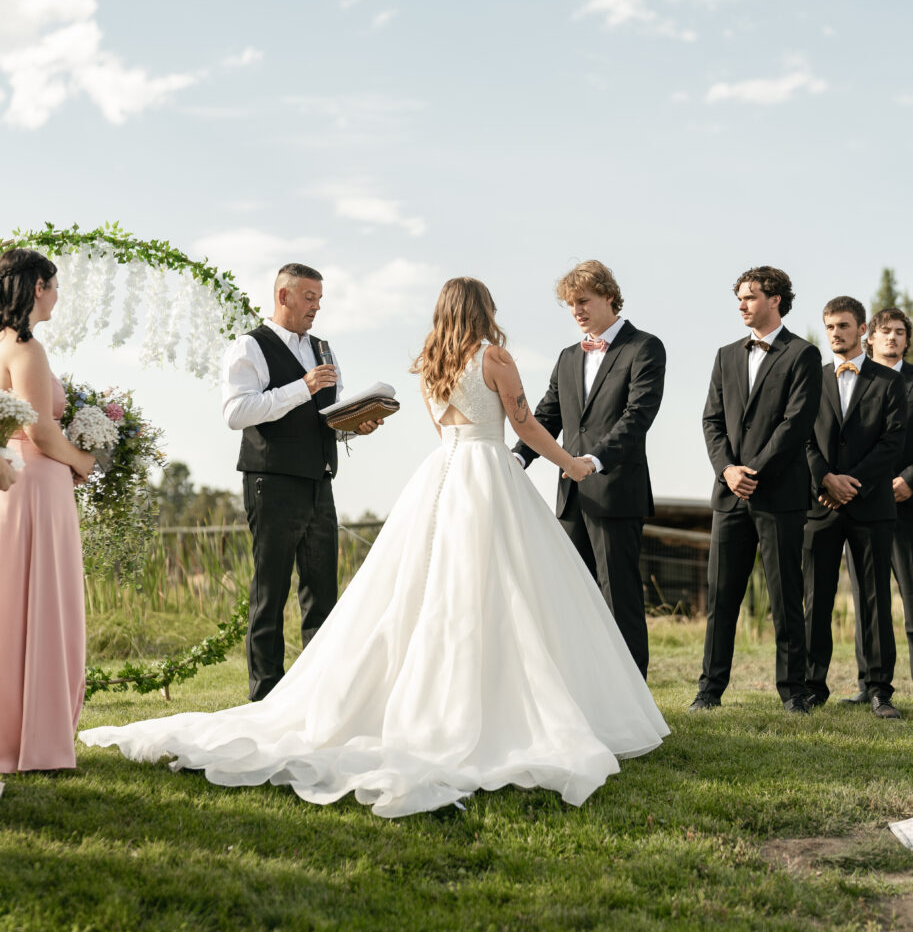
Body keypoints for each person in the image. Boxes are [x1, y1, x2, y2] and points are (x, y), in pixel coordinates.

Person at [80, 277, 668, 817]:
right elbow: (524, 424)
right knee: (508, 587)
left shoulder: (431, 364)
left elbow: (445, 431)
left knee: (430, 588)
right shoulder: (495, 357)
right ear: (483, 310)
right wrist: (569, 463)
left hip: (443, 473)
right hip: (488, 474)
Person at [222, 263, 382, 701]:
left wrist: (355, 424)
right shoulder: (249, 346)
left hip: (319, 480)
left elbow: (325, 416)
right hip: (271, 481)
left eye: (319, 299)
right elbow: (236, 413)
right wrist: (303, 386)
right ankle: (266, 695)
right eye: (309, 297)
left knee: (322, 591)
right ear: (283, 296)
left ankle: (317, 692)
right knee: (270, 592)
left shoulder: (323, 347)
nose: (316, 307)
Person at [512, 261, 665, 679]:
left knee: (619, 600)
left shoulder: (645, 348)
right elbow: (546, 416)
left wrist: (593, 461)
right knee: (569, 599)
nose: (576, 310)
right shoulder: (566, 357)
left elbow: (637, 416)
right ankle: (583, 690)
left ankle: (632, 700)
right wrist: (517, 458)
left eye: (583, 301)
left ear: (609, 296)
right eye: (570, 304)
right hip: (571, 499)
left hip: (616, 491)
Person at [691, 267, 821, 714]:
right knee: (722, 597)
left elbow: (796, 422)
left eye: (750, 297)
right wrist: (728, 470)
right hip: (729, 496)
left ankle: (793, 692)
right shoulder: (726, 355)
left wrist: (754, 472)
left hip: (779, 496)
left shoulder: (803, 354)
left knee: (786, 598)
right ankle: (709, 691)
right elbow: (711, 421)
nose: (742, 305)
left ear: (776, 300)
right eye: (740, 298)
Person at [0, 249, 96, 773]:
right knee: (44, 603)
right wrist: (85, 460)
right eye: (55, 285)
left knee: (15, 606)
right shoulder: (26, 347)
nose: (57, 295)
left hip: (13, 483)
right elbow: (40, 429)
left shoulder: (0, 343)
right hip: (37, 485)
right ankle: (36, 741)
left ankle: (14, 732)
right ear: (38, 285)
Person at [804, 296, 906, 719]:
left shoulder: (890, 381)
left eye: (843, 326)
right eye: (829, 326)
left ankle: (880, 690)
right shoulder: (810, 379)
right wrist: (825, 479)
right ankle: (811, 687)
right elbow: (800, 437)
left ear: (862, 330)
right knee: (816, 599)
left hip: (871, 505)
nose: (835, 333)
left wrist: (853, 485)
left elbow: (893, 441)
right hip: (821, 504)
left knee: (875, 600)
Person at [842, 307, 913, 705]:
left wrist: (910, 480)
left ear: (906, 340)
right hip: (864, 502)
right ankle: (869, 686)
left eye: (900, 332)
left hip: (906, 505)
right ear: (869, 336)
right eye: (885, 331)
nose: (892, 338)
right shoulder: (854, 378)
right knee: (867, 599)